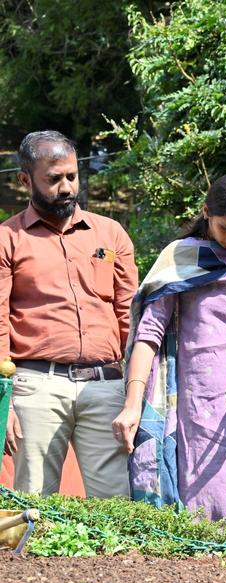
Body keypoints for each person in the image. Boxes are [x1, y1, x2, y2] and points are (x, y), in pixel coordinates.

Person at [112, 174, 226, 526]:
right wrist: (133, 403)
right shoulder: (180, 259)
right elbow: (149, 334)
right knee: (199, 503)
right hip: (198, 405)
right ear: (206, 212)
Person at [0, 131, 137, 498]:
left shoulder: (111, 234)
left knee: (117, 506)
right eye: (53, 179)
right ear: (25, 179)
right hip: (36, 387)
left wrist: (135, 391)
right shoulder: (7, 239)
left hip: (106, 385)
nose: (66, 188)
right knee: (33, 503)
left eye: (72, 176)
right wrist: (5, 400)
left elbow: (130, 315)